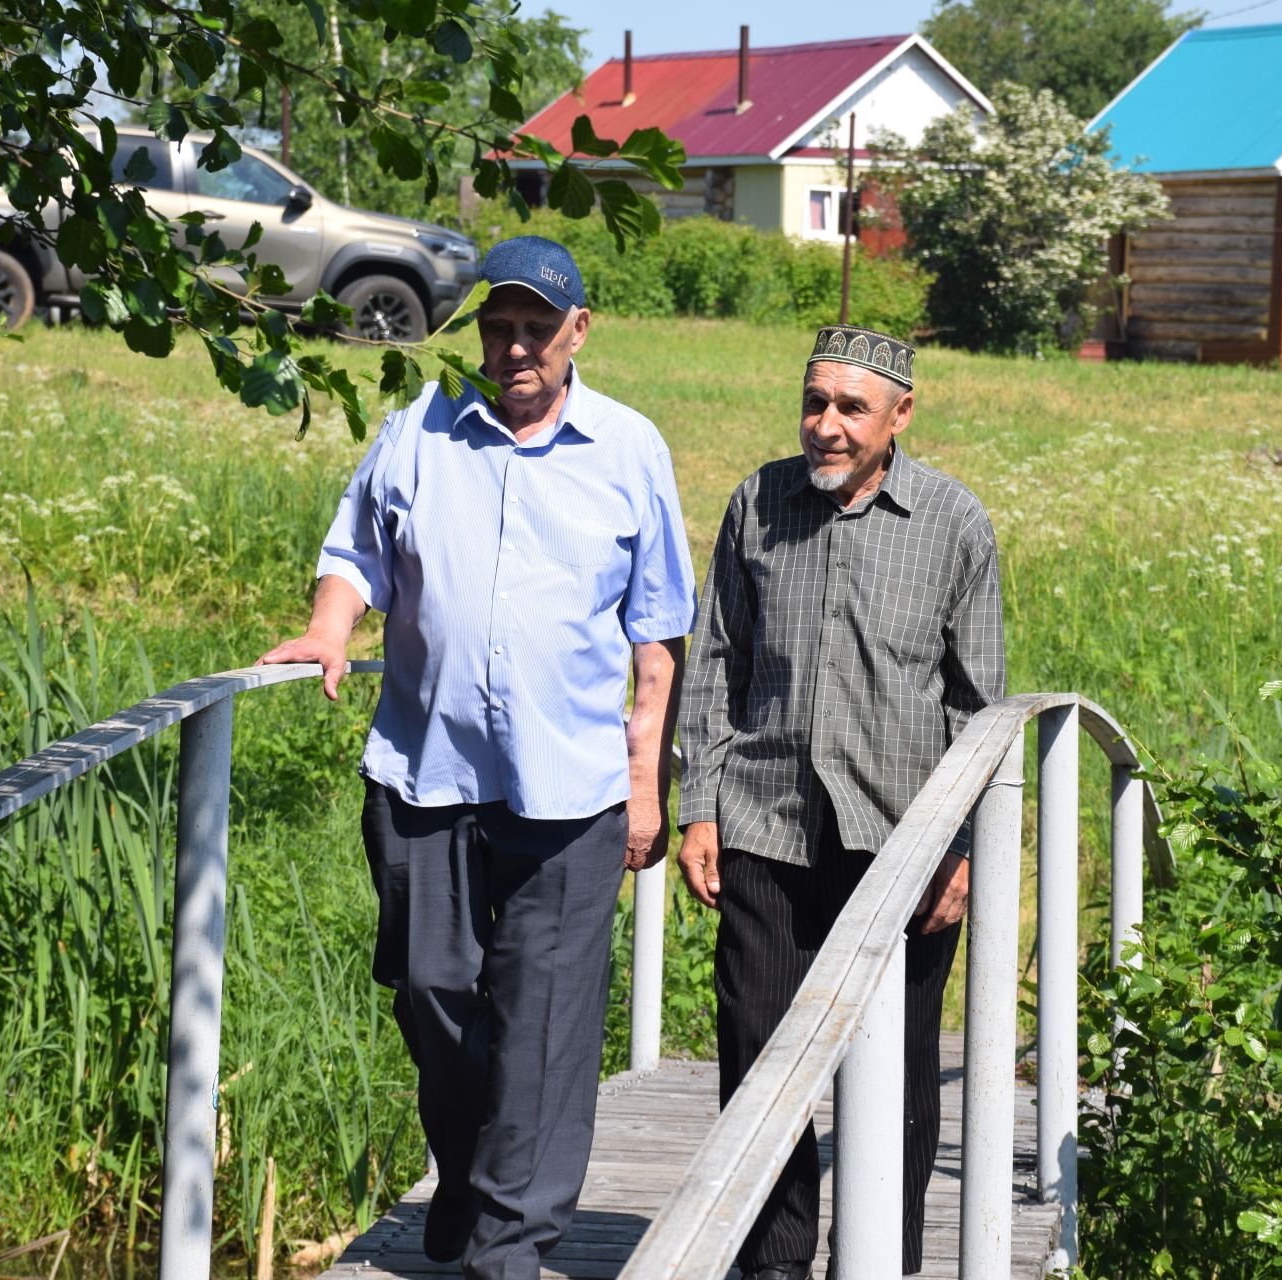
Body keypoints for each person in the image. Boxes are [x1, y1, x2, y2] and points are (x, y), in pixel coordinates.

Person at [258, 236, 695, 1280]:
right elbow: (354, 552)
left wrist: (646, 786)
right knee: (428, 985)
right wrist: (331, 630)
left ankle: (508, 1244)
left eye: (534, 329)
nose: (512, 349)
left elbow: (658, 636)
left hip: (572, 787)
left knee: (543, 1026)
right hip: (425, 773)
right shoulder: (419, 432)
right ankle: (466, 1174)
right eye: (496, 328)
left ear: (577, 333)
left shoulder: (630, 449)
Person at [675, 324, 1005, 1280]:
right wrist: (703, 804)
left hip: (901, 842)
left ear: (900, 415)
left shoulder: (953, 523)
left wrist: (965, 851)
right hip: (765, 823)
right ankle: (771, 1261)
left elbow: (977, 706)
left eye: (850, 409)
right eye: (814, 403)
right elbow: (717, 662)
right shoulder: (758, 502)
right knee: (755, 1055)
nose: (825, 426)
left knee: (898, 1075)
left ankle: (880, 1259)